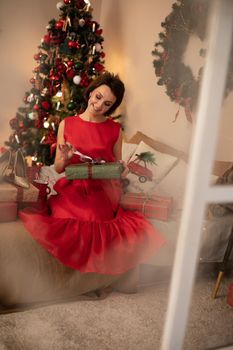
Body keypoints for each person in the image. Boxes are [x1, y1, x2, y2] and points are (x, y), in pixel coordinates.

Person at [19, 72, 165, 291]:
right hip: (73, 186)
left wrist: (121, 170)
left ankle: (92, 280)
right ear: (90, 92)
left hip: (102, 190)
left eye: (107, 104)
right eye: (97, 97)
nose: (98, 106)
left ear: (112, 107)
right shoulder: (66, 124)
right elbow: (59, 168)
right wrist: (66, 158)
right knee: (65, 217)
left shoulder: (115, 130)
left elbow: (116, 165)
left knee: (94, 219)